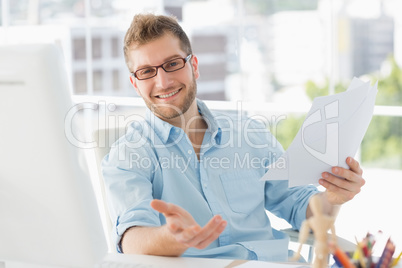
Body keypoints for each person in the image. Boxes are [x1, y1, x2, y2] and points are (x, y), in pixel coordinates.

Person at [101, 13, 365, 261]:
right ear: (135, 83)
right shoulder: (129, 154)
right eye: (147, 71)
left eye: (172, 64)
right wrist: (172, 238)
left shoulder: (248, 133)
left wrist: (332, 197)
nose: (163, 82)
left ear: (193, 65)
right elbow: (131, 239)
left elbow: (298, 206)